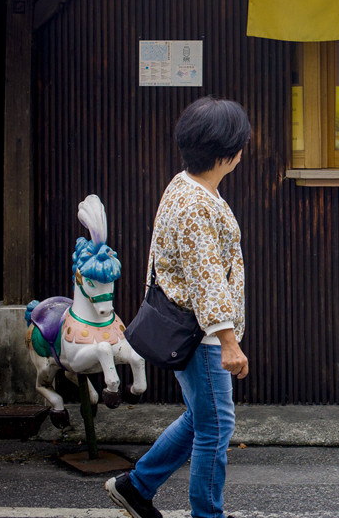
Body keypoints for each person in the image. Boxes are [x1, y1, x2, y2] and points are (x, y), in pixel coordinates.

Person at [106, 96, 252, 518]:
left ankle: (136, 486)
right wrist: (228, 341)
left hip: (193, 327)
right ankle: (207, 514)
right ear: (229, 152)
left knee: (200, 418)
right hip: (202, 333)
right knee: (216, 426)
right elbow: (205, 277)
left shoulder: (184, 185)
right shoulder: (196, 205)